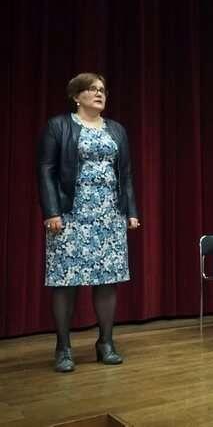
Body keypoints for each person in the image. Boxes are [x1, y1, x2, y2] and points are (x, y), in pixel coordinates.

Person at [37, 73, 140, 372]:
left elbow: (126, 174)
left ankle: (105, 343)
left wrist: (131, 211)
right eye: (92, 89)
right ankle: (63, 348)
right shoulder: (59, 126)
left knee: (107, 280)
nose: (99, 94)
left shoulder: (116, 130)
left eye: (102, 90)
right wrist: (51, 211)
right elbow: (46, 169)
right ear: (76, 96)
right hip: (70, 214)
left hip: (109, 214)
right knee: (65, 281)